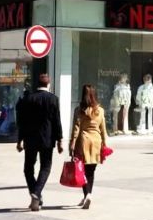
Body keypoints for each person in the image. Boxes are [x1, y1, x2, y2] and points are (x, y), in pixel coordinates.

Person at [15, 71, 63, 211]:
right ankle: (36, 193)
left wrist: (19, 140)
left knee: (28, 168)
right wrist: (60, 140)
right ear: (49, 84)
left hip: (30, 138)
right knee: (46, 167)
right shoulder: (53, 99)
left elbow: (22, 121)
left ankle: (35, 193)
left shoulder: (28, 99)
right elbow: (56, 121)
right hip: (47, 139)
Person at [69, 84, 109, 209]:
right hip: (96, 142)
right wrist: (105, 144)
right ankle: (88, 195)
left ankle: (87, 195)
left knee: (83, 170)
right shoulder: (100, 110)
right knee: (91, 171)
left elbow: (76, 128)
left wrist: (72, 143)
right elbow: (103, 129)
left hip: (83, 141)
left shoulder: (79, 110)